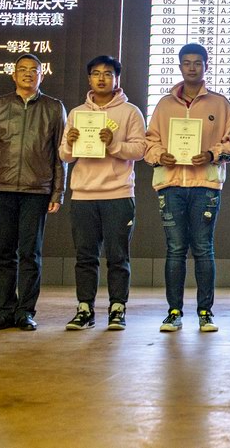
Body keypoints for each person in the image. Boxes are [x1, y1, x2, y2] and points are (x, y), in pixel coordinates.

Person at [144, 43, 230, 333]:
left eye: (198, 62)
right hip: (171, 185)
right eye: (187, 62)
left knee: (203, 248)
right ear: (180, 66)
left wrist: (211, 155)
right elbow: (150, 142)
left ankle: (205, 312)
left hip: (205, 186)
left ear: (206, 66)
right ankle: (174, 312)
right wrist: (160, 155)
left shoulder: (220, 104)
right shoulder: (164, 104)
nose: (192, 67)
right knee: (175, 249)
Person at [0, 53, 66, 331]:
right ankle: (4, 311)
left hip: (36, 190)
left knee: (30, 253)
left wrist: (57, 192)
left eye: (34, 70)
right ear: (13, 75)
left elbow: (60, 155)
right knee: (4, 253)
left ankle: (25, 311)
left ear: (42, 75)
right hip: (0, 188)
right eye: (23, 69)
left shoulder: (54, 107)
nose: (28, 73)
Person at [59, 56, 146, 331]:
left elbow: (140, 150)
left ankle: (117, 308)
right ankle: (84, 309)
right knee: (85, 256)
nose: (101, 78)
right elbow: (64, 155)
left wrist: (113, 144)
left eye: (108, 73)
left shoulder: (130, 112)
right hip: (83, 195)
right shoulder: (76, 113)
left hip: (118, 194)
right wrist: (70, 143)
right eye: (96, 73)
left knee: (118, 256)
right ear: (89, 79)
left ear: (117, 79)